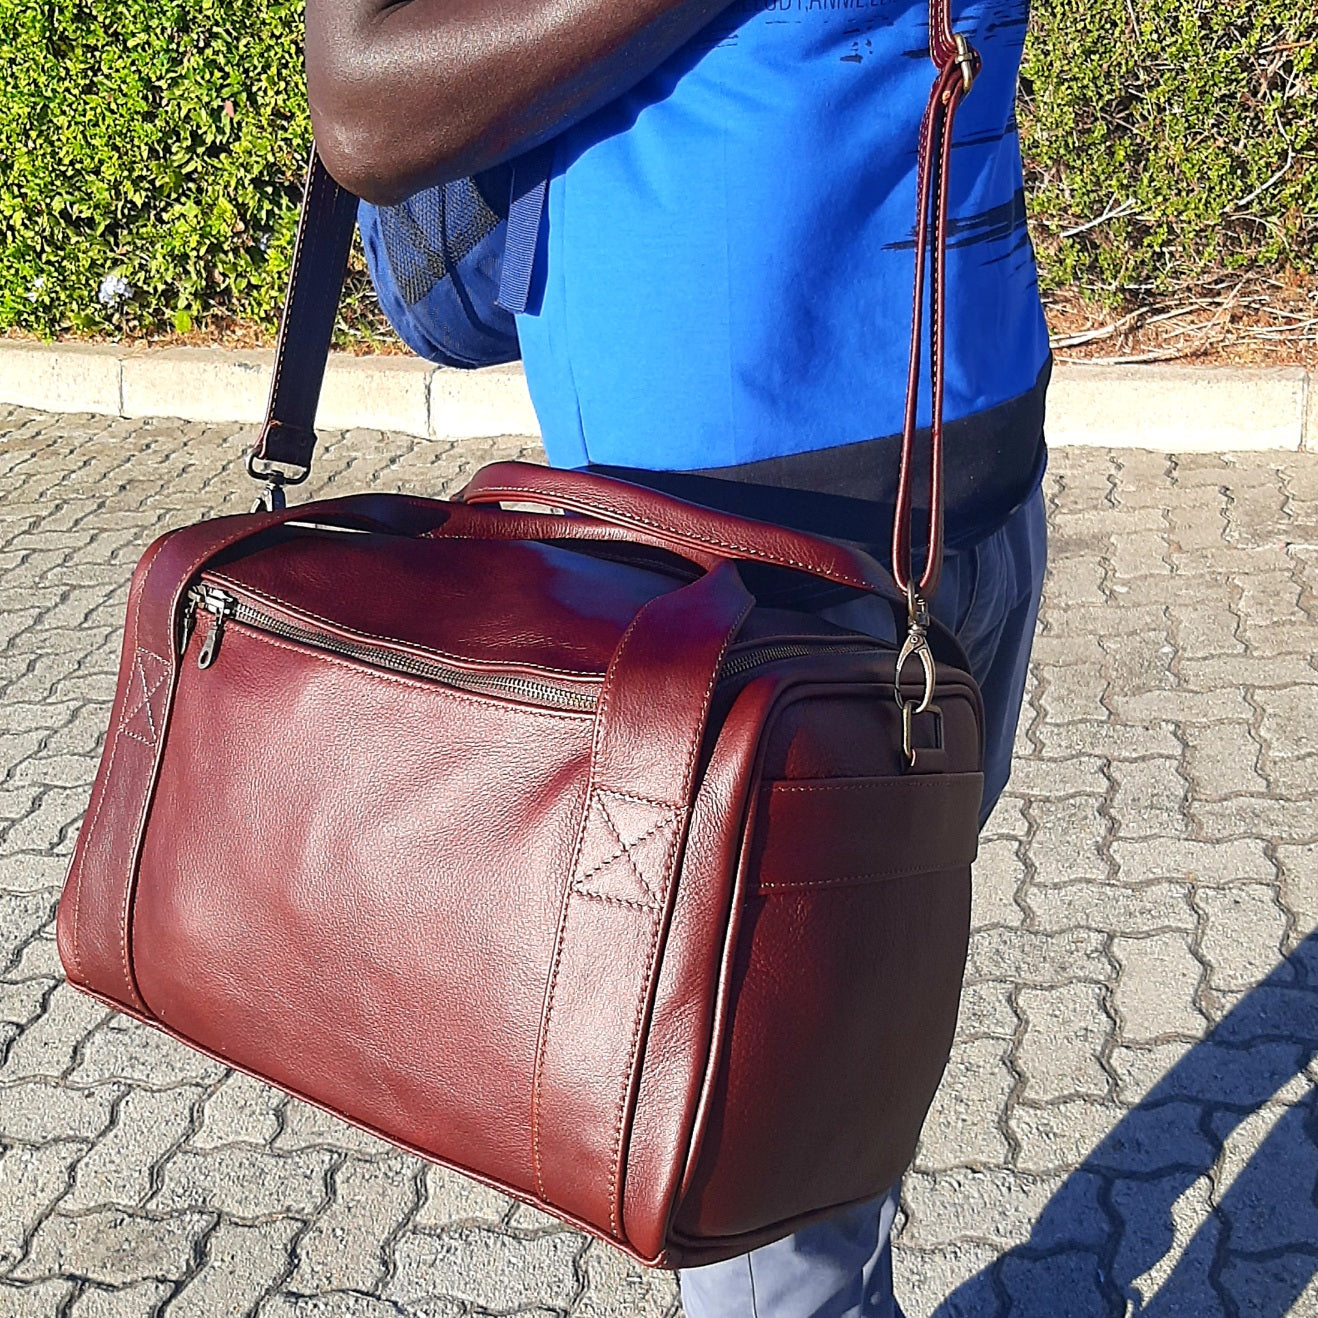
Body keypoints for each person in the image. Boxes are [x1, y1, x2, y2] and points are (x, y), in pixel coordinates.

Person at [305, 0, 1050, 1313]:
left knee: (835, 1097)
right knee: (770, 1196)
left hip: (957, 507)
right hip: (753, 582)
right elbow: (362, 108)